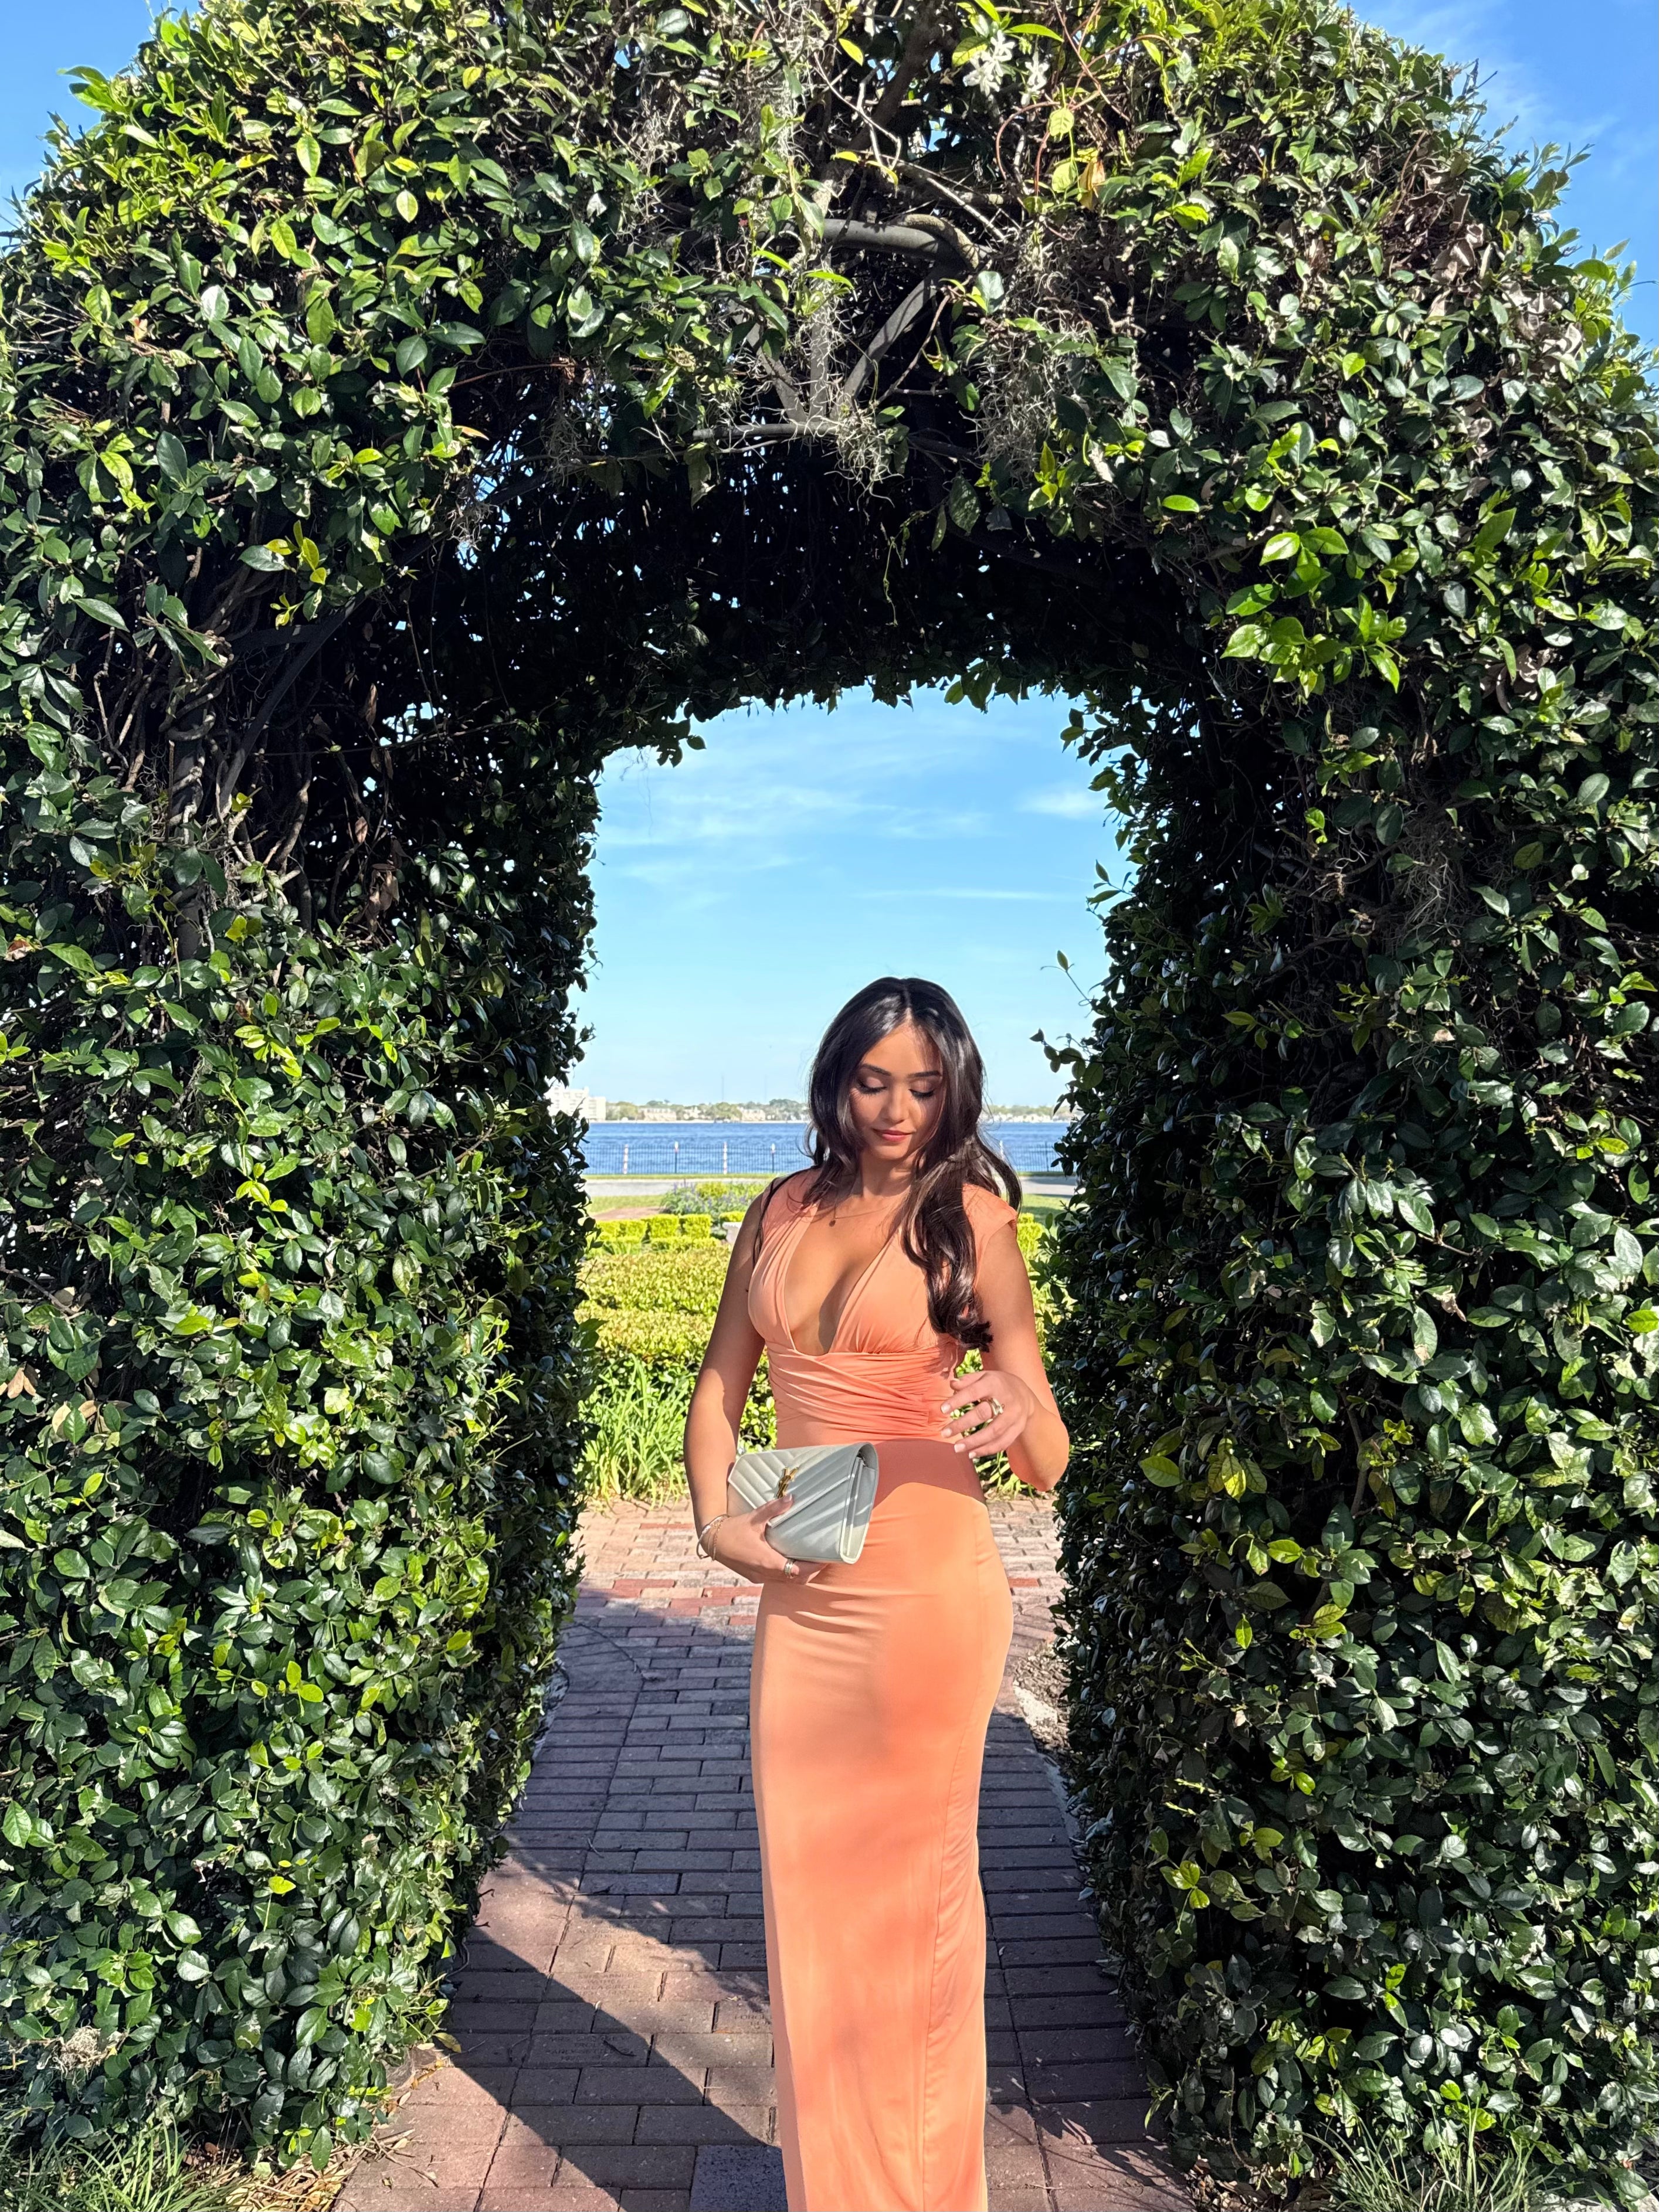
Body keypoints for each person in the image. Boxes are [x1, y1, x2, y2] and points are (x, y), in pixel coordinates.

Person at [684, 977, 1070, 2212]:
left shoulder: (974, 1220)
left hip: (925, 1599)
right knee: (812, 1906)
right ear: (835, 1079)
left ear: (952, 1089)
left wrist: (1014, 1409)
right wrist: (710, 1519)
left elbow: (1047, 1452)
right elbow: (716, 1386)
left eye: (922, 1085)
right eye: (873, 1080)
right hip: (803, 1595)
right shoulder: (779, 1209)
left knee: (913, 1910)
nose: (897, 1108)